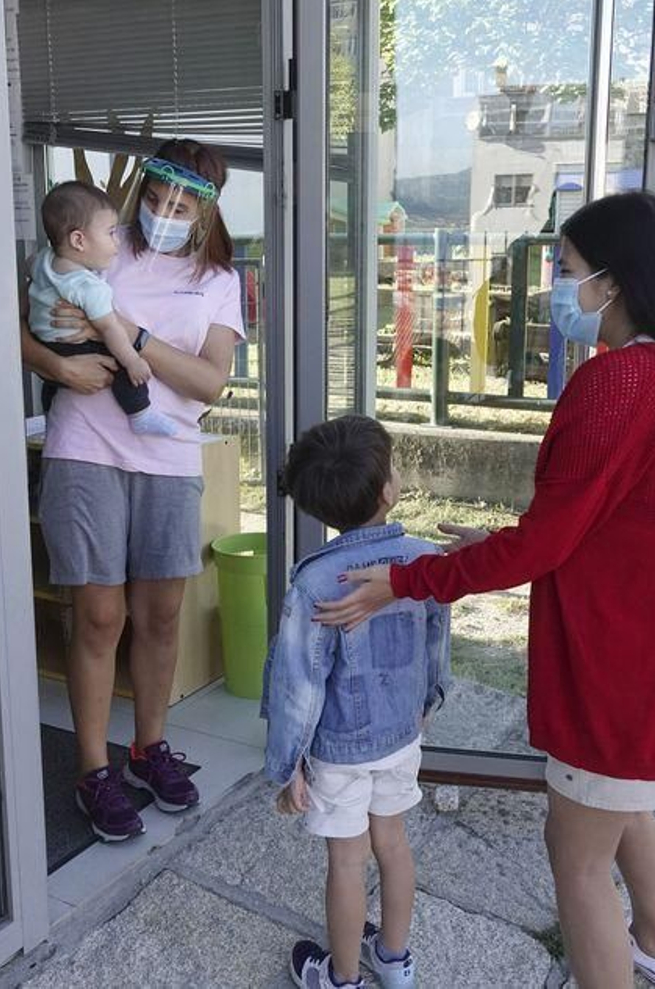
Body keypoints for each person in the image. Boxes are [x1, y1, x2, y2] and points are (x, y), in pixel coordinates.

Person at [317, 191, 655, 989]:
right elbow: (602, 523)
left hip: (626, 676)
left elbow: (546, 544)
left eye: (565, 271)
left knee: (578, 859)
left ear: (614, 280)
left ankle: (635, 962)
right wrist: (491, 546)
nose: (559, 291)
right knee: (627, 808)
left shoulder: (621, 385)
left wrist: (405, 581)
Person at [20, 139, 245, 842]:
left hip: (169, 457)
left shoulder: (218, 280)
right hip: (84, 448)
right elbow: (12, 325)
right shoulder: (102, 245)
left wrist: (132, 336)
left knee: (160, 614)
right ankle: (94, 767)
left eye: (181, 205)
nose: (164, 213)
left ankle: (149, 747)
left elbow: (210, 382)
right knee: (95, 614)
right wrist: (58, 367)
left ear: (207, 209)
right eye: (154, 198)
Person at [264, 415, 449, 989]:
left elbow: (298, 685)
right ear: (389, 490)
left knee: (347, 861)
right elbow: (437, 641)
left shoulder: (315, 583)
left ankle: (342, 978)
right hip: (401, 737)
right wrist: (428, 700)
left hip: (339, 751)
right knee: (392, 845)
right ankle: (394, 962)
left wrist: (287, 765)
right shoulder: (424, 560)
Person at [29, 180, 177, 437]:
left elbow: (27, 269)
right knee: (118, 362)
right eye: (110, 233)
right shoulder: (89, 286)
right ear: (79, 240)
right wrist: (133, 361)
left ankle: (49, 412)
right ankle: (140, 413)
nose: (116, 242)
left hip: (44, 342)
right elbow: (110, 329)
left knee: (52, 384)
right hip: (73, 344)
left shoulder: (43, 259)